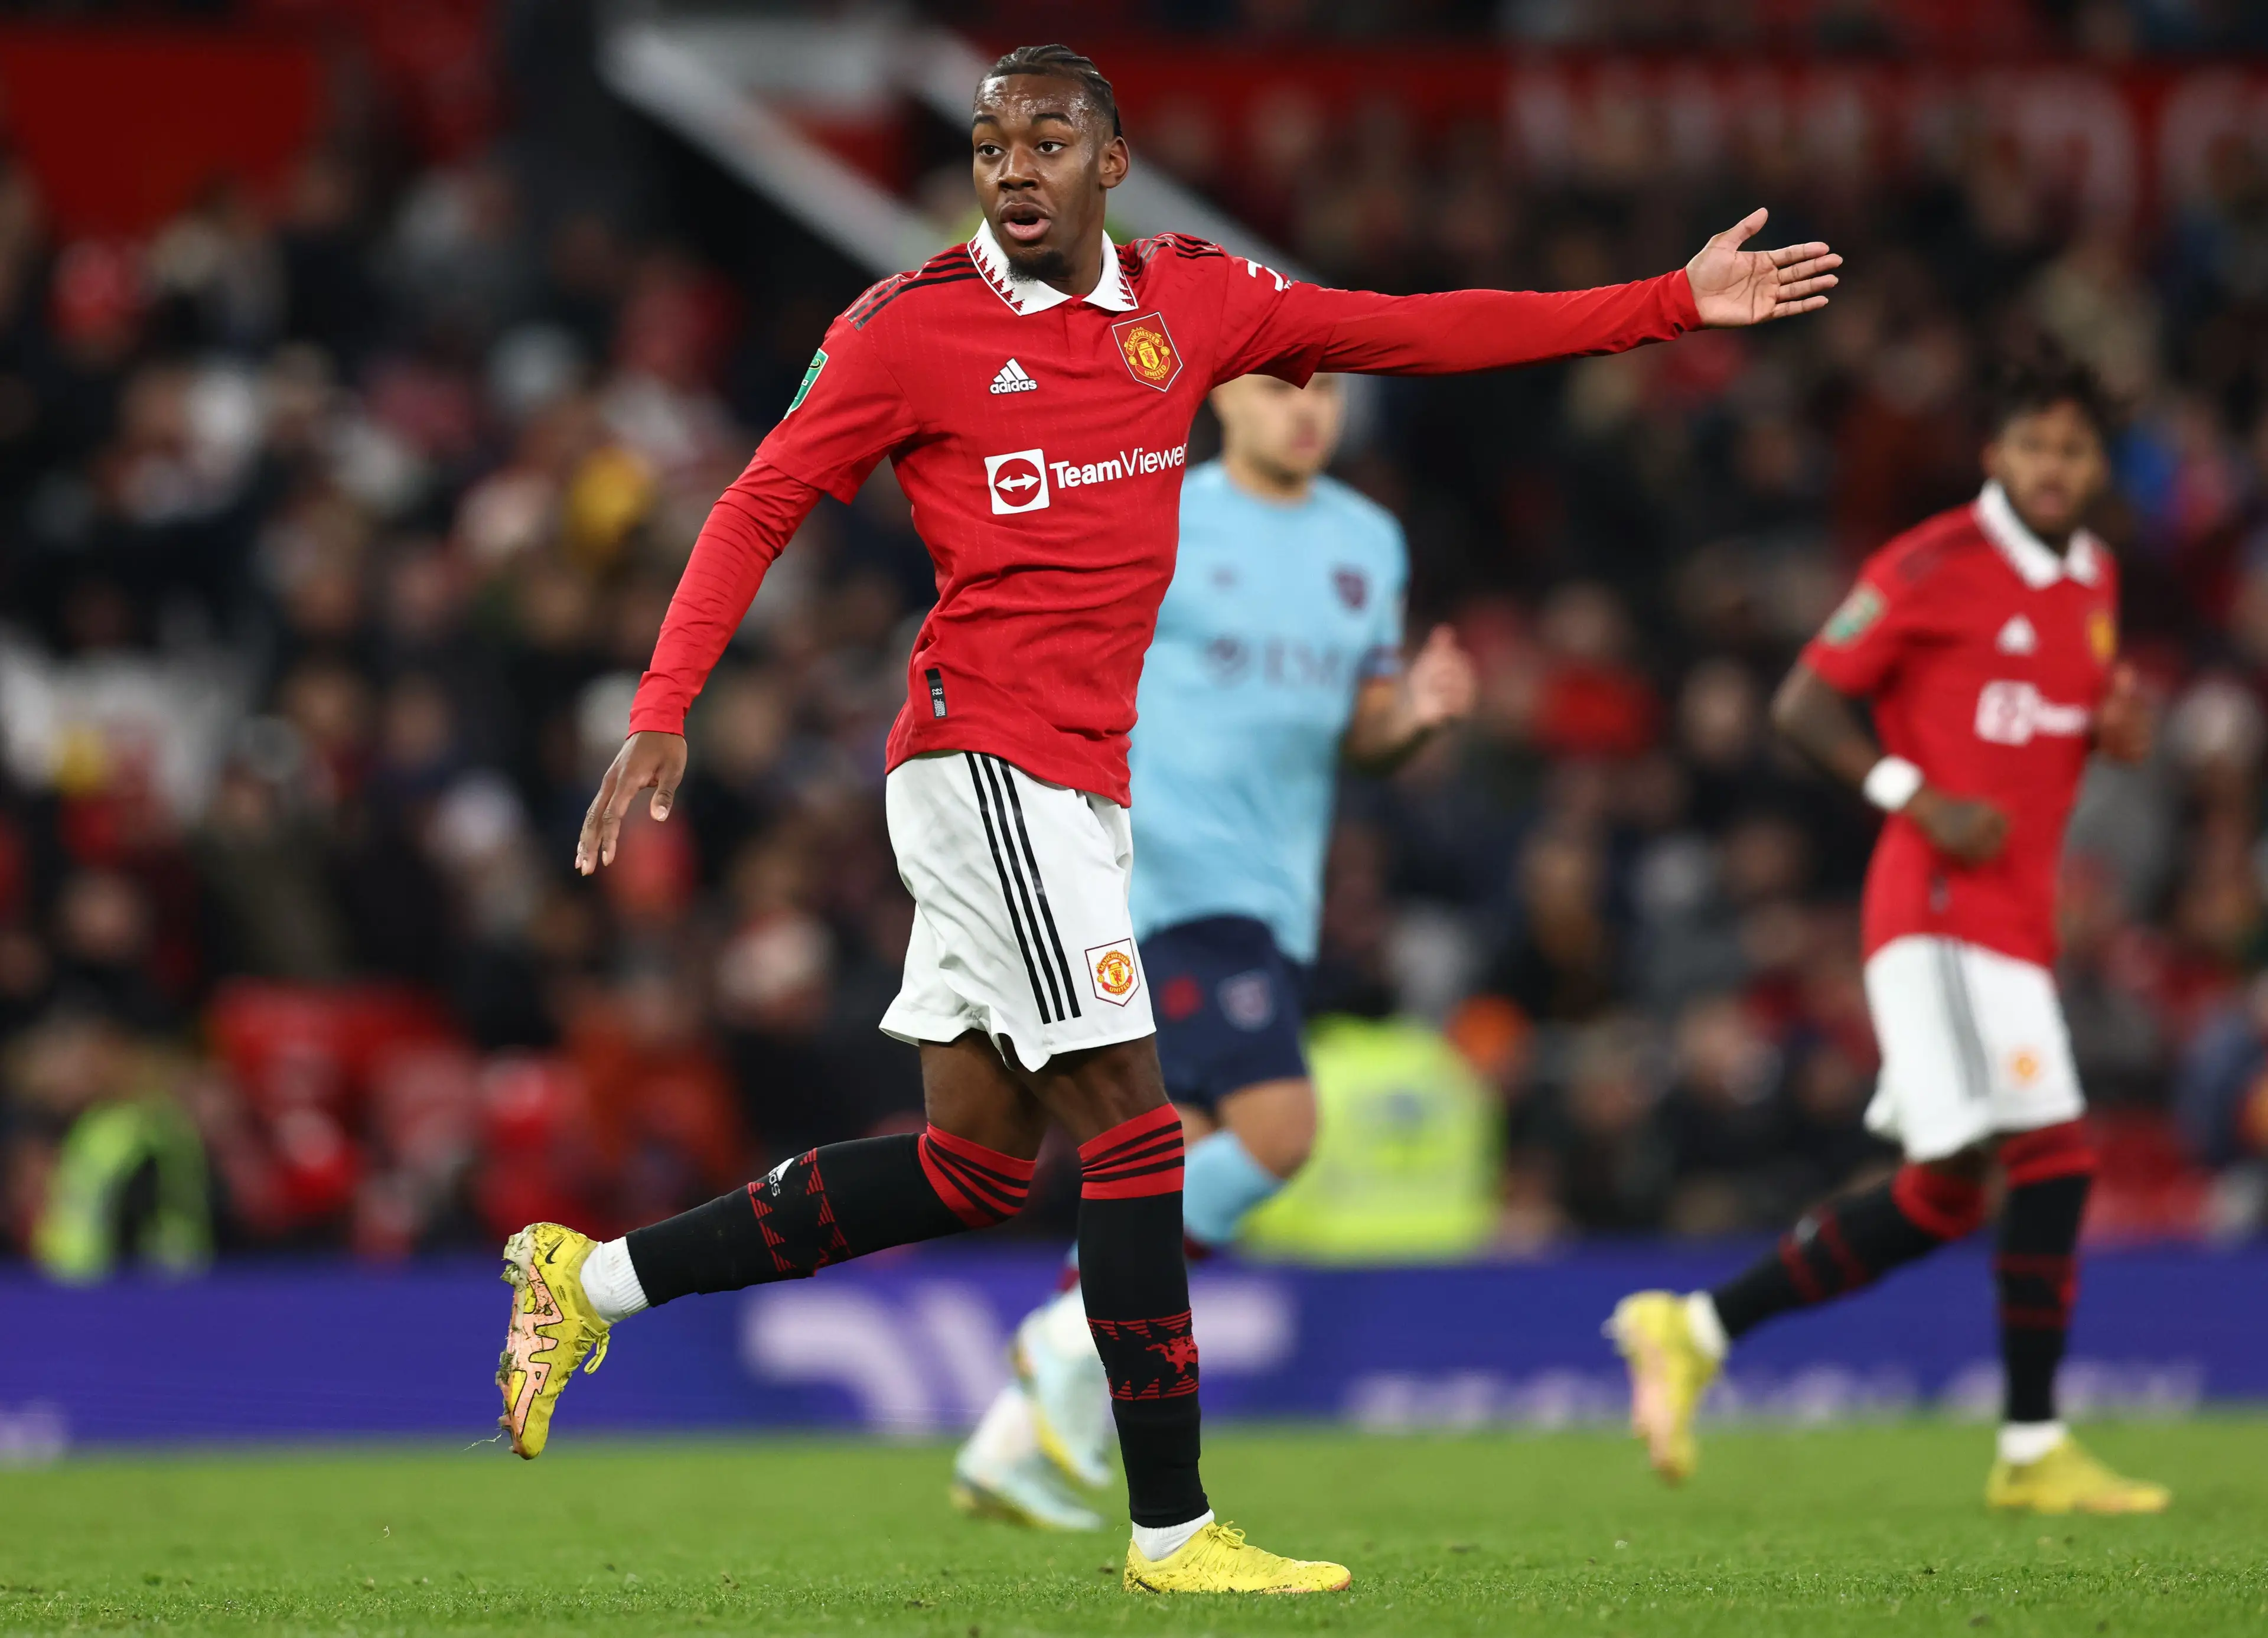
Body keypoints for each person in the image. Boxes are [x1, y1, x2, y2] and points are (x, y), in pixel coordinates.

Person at [496, 42, 1841, 1595]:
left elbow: (1412, 329)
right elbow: (759, 499)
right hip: (985, 761)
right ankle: (1174, 1531)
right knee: (1138, 1134)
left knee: (973, 1169)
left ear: (1111, 163)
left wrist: (1665, 303)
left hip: (1079, 783)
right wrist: (663, 703)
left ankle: (589, 1280)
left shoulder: (1194, 300)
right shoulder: (903, 325)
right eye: (992, 144)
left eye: (1047, 141)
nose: (1014, 169)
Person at [1608, 350, 2168, 1516]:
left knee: (1945, 1196)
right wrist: (1914, 795)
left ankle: (1695, 1328)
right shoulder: (1934, 561)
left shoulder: (2097, 579)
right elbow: (1802, 702)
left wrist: (2108, 735)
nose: (2052, 466)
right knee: (2056, 1155)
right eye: (2033, 445)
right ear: (1994, 454)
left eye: (2073, 449)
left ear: (2097, 466)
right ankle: (2033, 1450)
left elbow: (2040, 727)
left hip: (2016, 919)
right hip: (1940, 909)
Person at [947, 371, 1477, 1530]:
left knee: (1160, 1170)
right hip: (1171, 872)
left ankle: (1013, 1441)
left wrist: (1417, 716)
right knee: (1282, 1133)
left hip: (1273, 894)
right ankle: (1062, 1341)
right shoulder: (1160, 512)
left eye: (1327, 389)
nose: (1308, 409)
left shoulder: (1368, 542)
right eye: (1281, 387)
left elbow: (1364, 728)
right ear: (1222, 399)